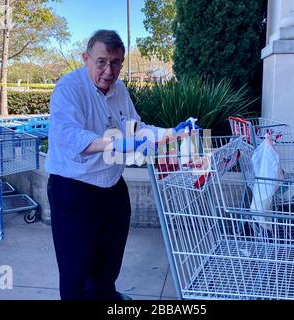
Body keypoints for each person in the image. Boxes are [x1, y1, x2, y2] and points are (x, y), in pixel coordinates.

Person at [45, 29, 198, 300]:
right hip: (73, 188)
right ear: (86, 58)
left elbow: (136, 127)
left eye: (116, 63)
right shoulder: (68, 88)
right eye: (102, 61)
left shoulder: (120, 90)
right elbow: (69, 137)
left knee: (110, 256)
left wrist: (170, 133)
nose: (108, 70)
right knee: (76, 267)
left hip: (112, 185)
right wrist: (116, 143)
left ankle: (106, 295)